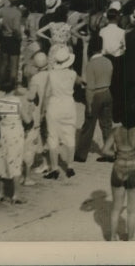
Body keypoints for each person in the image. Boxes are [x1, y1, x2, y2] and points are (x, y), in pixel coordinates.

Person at [104, 115, 135, 241]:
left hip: (118, 169)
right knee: (132, 210)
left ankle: (112, 237)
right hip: (134, 169)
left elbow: (105, 150)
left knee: (116, 208)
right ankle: (130, 238)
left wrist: (117, 154)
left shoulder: (115, 131)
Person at [41, 44, 79, 179]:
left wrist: (42, 110)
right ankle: (70, 166)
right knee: (70, 135)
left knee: (53, 137)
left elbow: (47, 94)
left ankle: (55, 168)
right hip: (69, 104)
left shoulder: (51, 74)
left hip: (55, 104)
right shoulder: (73, 74)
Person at [75, 34, 115, 162]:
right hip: (107, 92)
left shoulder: (91, 64)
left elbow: (89, 87)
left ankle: (81, 155)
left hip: (96, 94)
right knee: (107, 125)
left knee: (88, 125)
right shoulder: (108, 61)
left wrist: (89, 104)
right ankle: (110, 152)